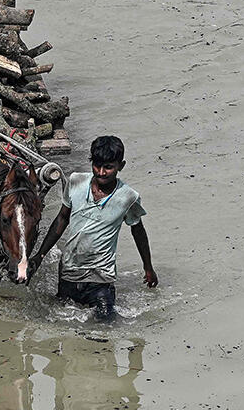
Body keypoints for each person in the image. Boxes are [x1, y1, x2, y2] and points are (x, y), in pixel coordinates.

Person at [32, 135, 157, 322]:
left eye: (108, 167)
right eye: (97, 166)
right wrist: (39, 255)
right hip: (69, 272)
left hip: (101, 280)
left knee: (104, 329)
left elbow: (138, 231)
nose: (101, 172)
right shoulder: (75, 182)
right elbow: (61, 219)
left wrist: (148, 267)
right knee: (62, 326)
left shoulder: (128, 197)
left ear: (120, 166)